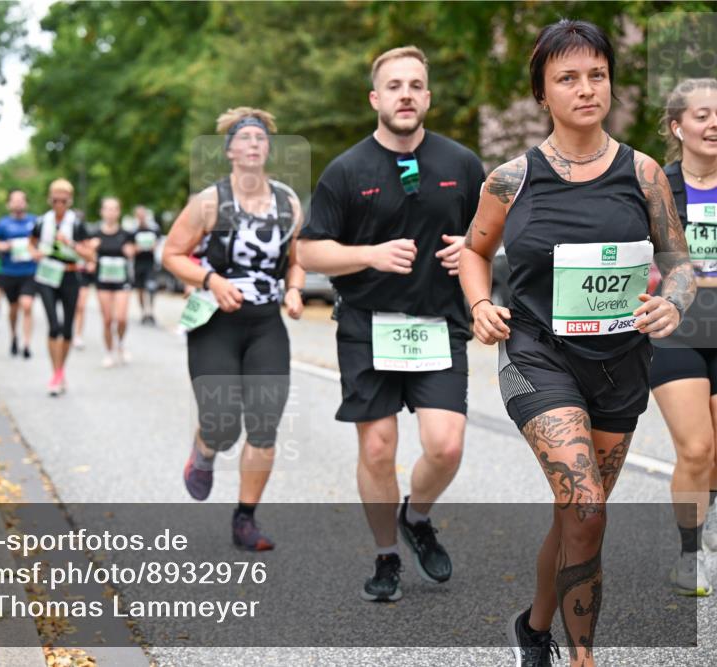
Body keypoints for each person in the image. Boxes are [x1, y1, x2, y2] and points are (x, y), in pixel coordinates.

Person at [457, 20, 695, 667]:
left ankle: (534, 628)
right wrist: (480, 303)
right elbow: (475, 252)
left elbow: (678, 261)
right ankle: (583, 656)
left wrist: (672, 303)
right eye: (568, 77)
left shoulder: (644, 174)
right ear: (542, 92)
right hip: (538, 356)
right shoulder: (511, 178)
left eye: (597, 74)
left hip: (620, 364)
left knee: (576, 517)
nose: (586, 88)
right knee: (586, 507)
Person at [297, 46, 484, 602]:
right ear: (376, 98)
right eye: (395, 85)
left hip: (439, 323)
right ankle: (386, 557)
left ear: (428, 97)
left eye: (416, 85)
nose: (406, 94)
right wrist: (370, 256)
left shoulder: (462, 165)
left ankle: (417, 516)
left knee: (445, 446)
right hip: (368, 327)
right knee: (378, 449)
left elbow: (493, 233)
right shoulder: (347, 170)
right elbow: (310, 253)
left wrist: (472, 250)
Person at [163, 106, 305, 551]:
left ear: (268, 149)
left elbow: (297, 258)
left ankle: (245, 519)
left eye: (260, 139)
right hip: (215, 322)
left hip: (266, 324)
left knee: (264, 426)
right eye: (244, 138)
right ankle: (204, 451)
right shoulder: (209, 202)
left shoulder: (287, 201)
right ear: (228, 150)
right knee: (222, 424)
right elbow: (171, 253)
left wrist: (295, 290)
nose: (253, 144)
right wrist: (211, 280)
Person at [649, 77, 717, 597]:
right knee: (696, 447)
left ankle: (708, 515)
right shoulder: (654, 185)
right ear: (678, 126)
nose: (713, 123)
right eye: (701, 115)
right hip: (676, 328)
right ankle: (689, 554)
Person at [32, 179, 93, 395]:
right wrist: (35, 253)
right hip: (47, 276)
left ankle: (60, 370)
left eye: (63, 201)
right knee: (54, 326)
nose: (59, 204)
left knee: (67, 328)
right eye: (55, 200)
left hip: (69, 276)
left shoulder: (76, 224)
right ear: (50, 199)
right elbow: (31, 244)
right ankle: (55, 373)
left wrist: (71, 244)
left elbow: (90, 254)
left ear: (70, 201)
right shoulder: (41, 222)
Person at [0, 189, 39, 358]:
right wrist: (5, 246)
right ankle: (14, 337)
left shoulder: (34, 221)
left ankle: (26, 343)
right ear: (9, 204)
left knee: (27, 305)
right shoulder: (3, 223)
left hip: (29, 271)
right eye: (14, 200)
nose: (18, 203)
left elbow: (42, 241)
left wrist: (36, 250)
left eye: (21, 200)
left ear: (26, 203)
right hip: (9, 271)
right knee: (14, 308)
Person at [90, 197, 135, 367]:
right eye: (107, 209)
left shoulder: (125, 234)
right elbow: (87, 254)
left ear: (119, 212)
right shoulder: (95, 233)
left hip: (121, 280)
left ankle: (121, 343)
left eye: (114, 209)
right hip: (103, 280)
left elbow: (133, 251)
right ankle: (109, 352)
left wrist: (130, 251)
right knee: (108, 319)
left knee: (121, 318)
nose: (110, 212)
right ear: (102, 212)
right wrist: (91, 250)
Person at [72, 213, 98, 350]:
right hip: (69, 274)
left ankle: (78, 335)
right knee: (71, 306)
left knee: (81, 306)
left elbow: (92, 258)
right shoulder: (65, 236)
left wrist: (91, 263)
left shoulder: (88, 239)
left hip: (83, 276)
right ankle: (68, 330)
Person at [131, 205, 160, 325]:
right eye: (139, 215)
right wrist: (135, 249)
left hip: (150, 263)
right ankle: (143, 312)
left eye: (143, 214)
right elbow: (129, 248)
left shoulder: (154, 229)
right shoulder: (133, 231)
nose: (141, 217)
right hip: (138, 263)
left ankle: (151, 312)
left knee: (151, 288)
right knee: (140, 289)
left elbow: (158, 242)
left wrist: (155, 246)